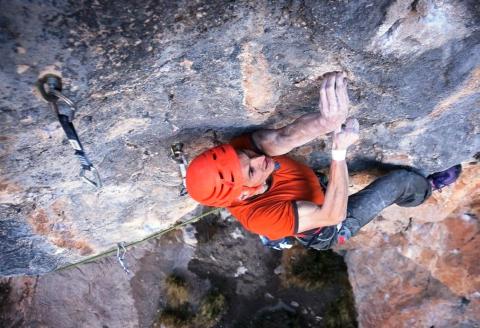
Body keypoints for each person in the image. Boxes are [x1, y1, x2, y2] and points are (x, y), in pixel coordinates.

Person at [185, 72, 462, 250]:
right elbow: (333, 214)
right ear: (244, 192)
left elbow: (283, 138)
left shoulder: (239, 157)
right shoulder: (261, 218)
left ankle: (295, 219)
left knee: (312, 185)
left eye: (245, 155)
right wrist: (338, 151)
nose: (257, 158)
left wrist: (326, 121)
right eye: (251, 168)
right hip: (328, 226)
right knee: (400, 182)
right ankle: (425, 190)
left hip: (311, 192)